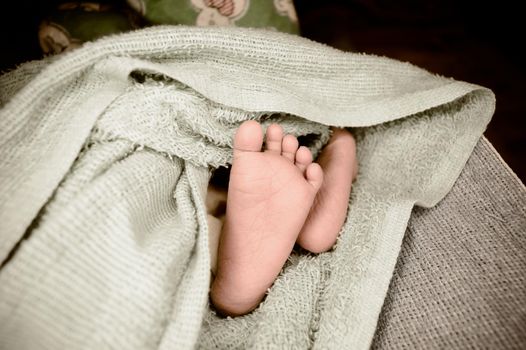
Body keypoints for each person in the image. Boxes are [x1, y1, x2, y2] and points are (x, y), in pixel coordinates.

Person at [208, 120, 358, 316]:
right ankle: (337, 147)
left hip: (235, 169)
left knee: (194, 202)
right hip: (284, 147)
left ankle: (221, 223)